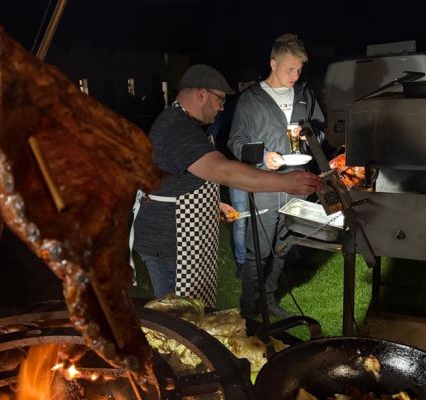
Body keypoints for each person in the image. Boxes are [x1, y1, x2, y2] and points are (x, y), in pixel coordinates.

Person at [133, 63, 321, 308]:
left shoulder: (184, 122)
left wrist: (213, 204)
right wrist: (284, 182)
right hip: (171, 241)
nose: (222, 107)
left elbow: (182, 177)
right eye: (220, 99)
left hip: (182, 235)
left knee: (197, 310)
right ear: (202, 94)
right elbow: (222, 170)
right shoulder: (178, 128)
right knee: (181, 316)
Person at [228, 33, 327, 319]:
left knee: (285, 245)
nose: (296, 76)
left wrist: (309, 135)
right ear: (273, 63)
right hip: (265, 184)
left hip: (297, 182)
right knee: (259, 250)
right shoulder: (251, 99)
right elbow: (236, 142)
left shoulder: (304, 95)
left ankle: (268, 299)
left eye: (299, 69)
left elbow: (321, 131)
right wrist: (263, 156)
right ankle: (249, 307)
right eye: (290, 69)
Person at [207, 68, 261, 277]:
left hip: (258, 168)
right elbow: (213, 133)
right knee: (240, 218)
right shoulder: (230, 108)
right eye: (250, 85)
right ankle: (242, 262)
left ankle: (256, 259)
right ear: (241, 86)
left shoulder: (258, 105)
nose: (254, 90)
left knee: (258, 217)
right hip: (236, 170)